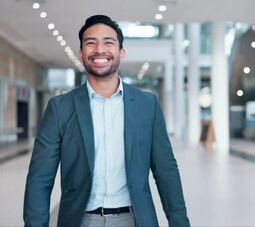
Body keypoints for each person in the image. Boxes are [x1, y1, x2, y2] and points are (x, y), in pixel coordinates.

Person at [23, 15, 190, 227]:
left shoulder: (147, 105)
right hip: (80, 219)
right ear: (81, 54)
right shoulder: (60, 108)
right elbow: (40, 178)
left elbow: (166, 171)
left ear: (121, 52)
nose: (99, 49)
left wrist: (179, 222)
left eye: (108, 42)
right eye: (91, 43)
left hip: (134, 219)